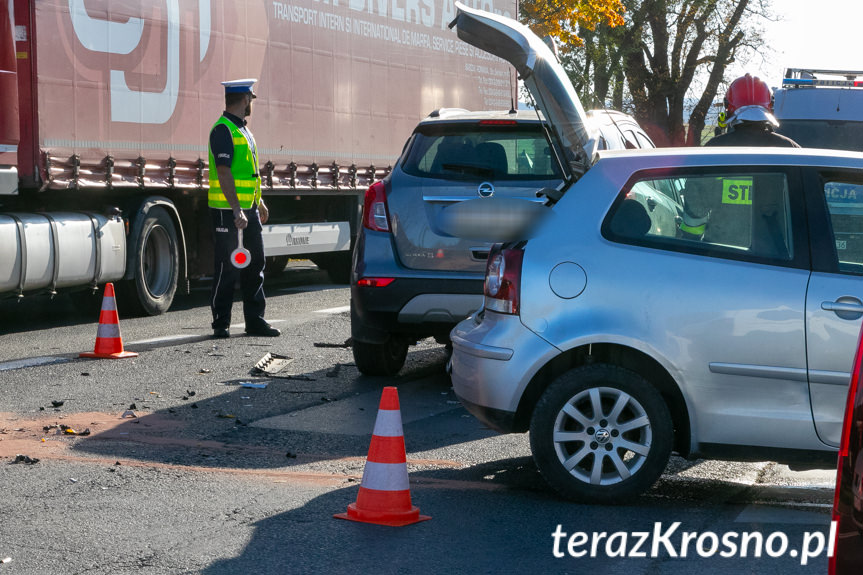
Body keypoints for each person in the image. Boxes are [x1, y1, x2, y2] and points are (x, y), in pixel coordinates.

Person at [679, 73, 800, 241]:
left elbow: (695, 209)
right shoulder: (791, 151)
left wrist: (689, 246)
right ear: (770, 106)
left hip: (722, 256)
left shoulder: (715, 150)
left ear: (729, 107)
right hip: (780, 259)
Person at [208, 78, 280, 338]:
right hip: (227, 209)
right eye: (251, 98)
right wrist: (236, 208)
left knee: (255, 264)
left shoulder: (242, 130)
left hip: (247, 208)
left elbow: (249, 174)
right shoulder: (223, 130)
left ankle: (255, 321)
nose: (252, 103)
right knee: (227, 266)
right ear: (244, 98)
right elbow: (224, 172)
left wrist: (257, 202)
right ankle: (220, 323)